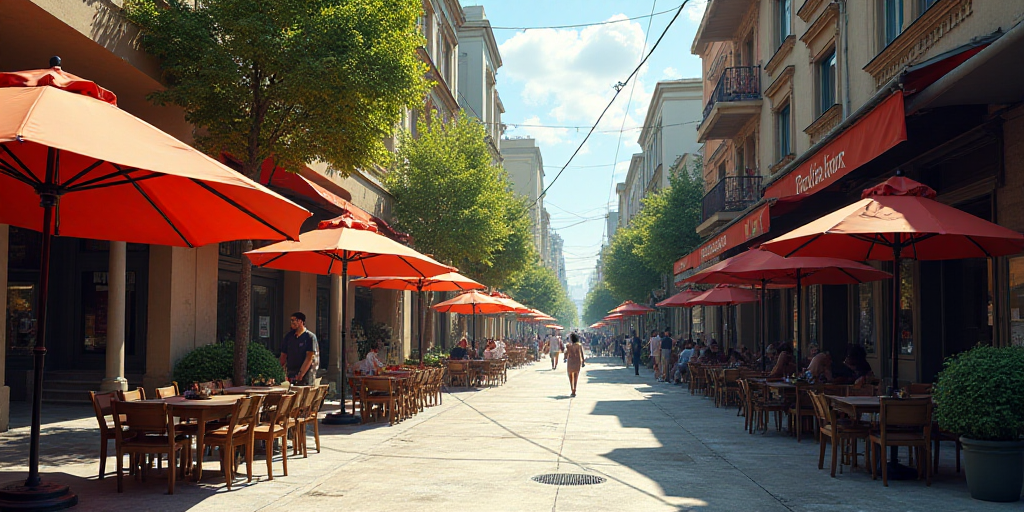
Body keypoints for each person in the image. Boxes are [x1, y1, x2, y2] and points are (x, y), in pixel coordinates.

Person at [279, 312, 319, 385]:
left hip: (306, 375)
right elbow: (283, 355)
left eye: (294, 320)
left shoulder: (310, 337)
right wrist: (278, 370)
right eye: (291, 320)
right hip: (291, 373)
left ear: (301, 321)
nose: (292, 323)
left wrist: (301, 373)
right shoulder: (288, 336)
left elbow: (309, 357)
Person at [564, 332, 586, 397]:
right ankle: (574, 390)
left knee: (570, 376)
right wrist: (583, 362)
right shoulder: (579, 345)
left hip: (570, 361)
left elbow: (566, 353)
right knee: (576, 376)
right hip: (577, 361)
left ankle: (572, 389)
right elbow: (581, 354)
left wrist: (565, 358)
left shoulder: (568, 346)